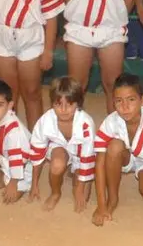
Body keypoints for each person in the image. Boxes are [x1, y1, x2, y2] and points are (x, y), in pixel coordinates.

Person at [91, 73, 143, 227]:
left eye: (131, 100)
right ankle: (113, 199)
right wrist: (101, 205)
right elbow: (99, 163)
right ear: (113, 102)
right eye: (119, 101)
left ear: (142, 100)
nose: (124, 107)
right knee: (114, 146)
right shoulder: (111, 121)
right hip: (125, 156)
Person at [29, 77, 95, 212]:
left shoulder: (86, 124)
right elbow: (37, 153)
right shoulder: (45, 121)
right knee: (57, 164)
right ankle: (55, 192)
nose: (63, 110)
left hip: (80, 155)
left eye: (69, 104)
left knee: (83, 196)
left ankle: (74, 173)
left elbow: (87, 157)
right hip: (58, 149)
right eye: (58, 104)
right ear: (52, 104)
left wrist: (80, 188)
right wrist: (34, 184)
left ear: (78, 104)